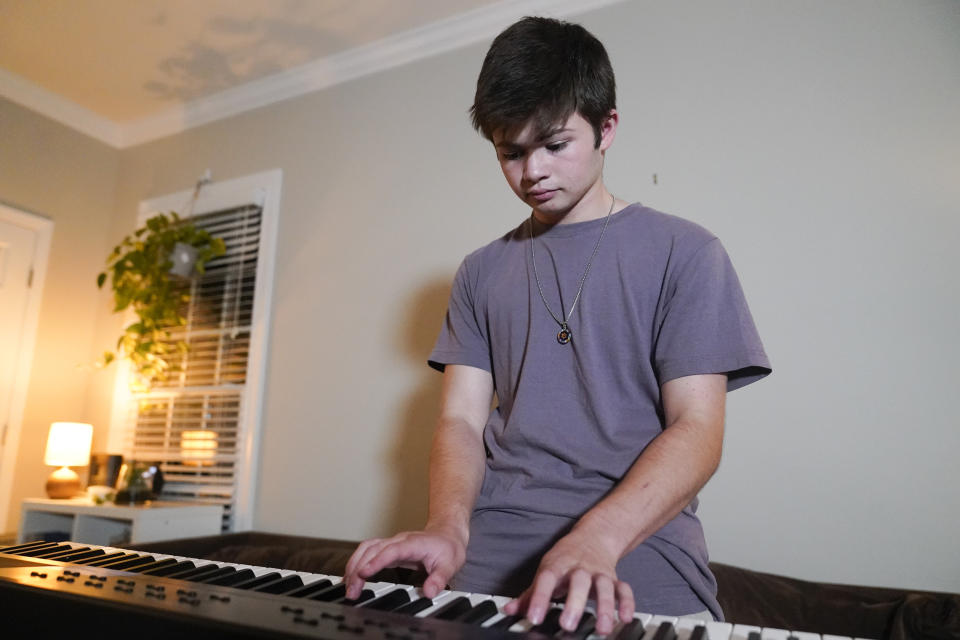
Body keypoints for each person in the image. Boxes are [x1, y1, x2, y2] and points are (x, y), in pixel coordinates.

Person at [344, 16, 770, 634]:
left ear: (607, 129)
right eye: (510, 153)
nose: (532, 171)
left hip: (635, 545)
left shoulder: (687, 251)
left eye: (554, 144)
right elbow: (461, 421)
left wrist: (596, 538)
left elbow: (698, 429)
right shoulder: (480, 272)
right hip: (491, 551)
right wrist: (447, 529)